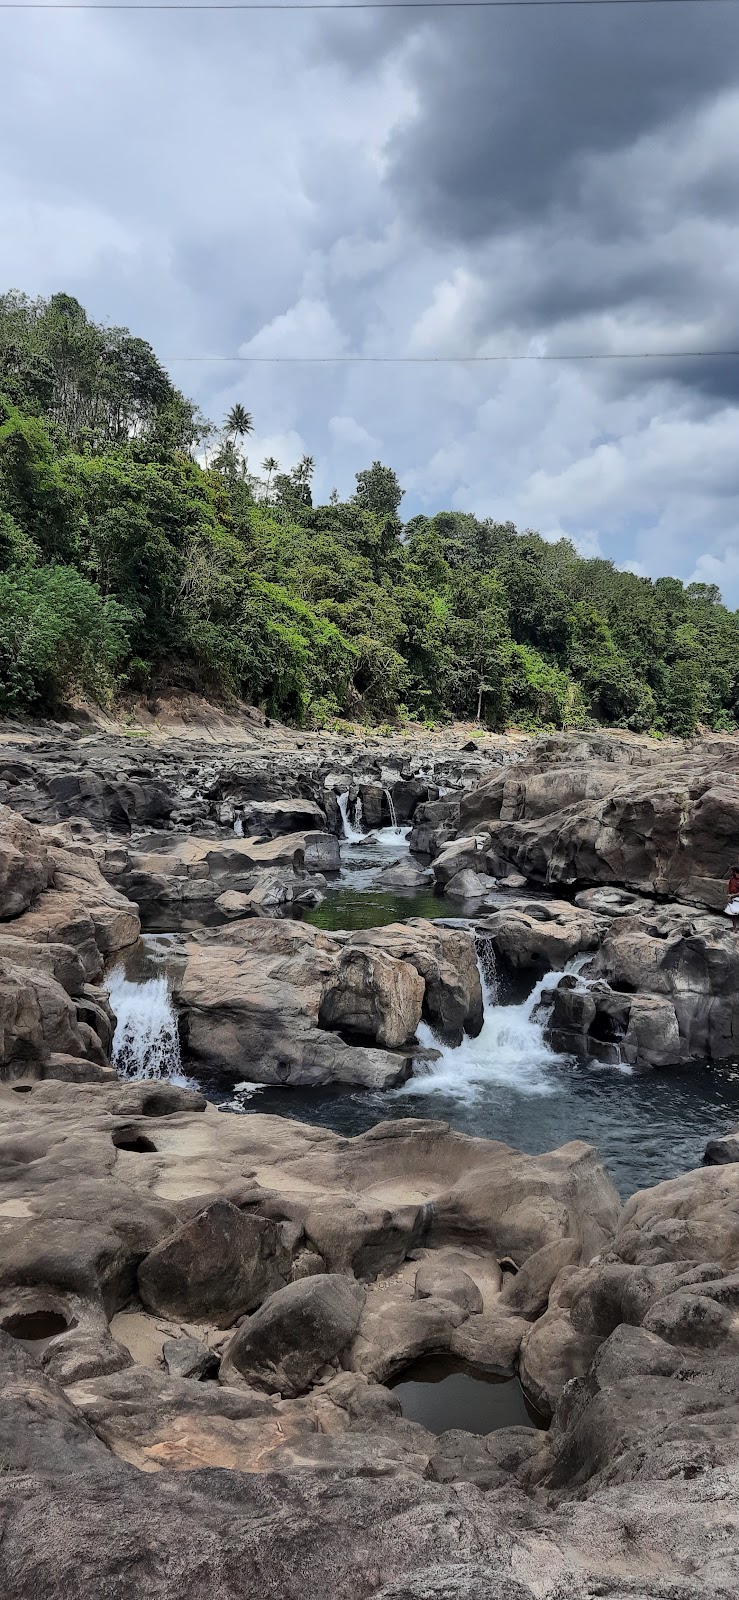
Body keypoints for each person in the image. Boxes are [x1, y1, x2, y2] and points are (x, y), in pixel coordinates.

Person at [725, 867, 739, 932]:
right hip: (733, 898)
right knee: (734, 914)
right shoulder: (732, 879)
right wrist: (728, 895)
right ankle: (734, 928)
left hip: (737, 897)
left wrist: (734, 895)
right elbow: (729, 887)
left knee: (736, 913)